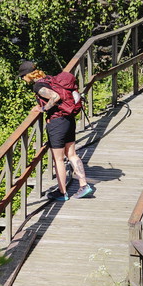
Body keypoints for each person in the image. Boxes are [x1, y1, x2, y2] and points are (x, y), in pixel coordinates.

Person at [18, 60, 94, 203]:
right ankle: (84, 185)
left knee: (58, 159)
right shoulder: (50, 79)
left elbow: (55, 97)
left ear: (29, 75)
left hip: (57, 123)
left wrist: (42, 109)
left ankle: (62, 192)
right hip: (69, 119)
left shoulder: (38, 86)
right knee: (71, 154)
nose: (22, 79)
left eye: (23, 76)